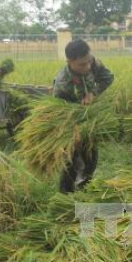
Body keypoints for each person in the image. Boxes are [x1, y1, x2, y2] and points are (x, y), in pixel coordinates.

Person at [53, 39, 114, 193]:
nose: (87, 67)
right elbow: (59, 113)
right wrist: (73, 126)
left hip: (90, 120)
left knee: (91, 156)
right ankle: (65, 193)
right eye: (82, 65)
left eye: (88, 62)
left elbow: (108, 77)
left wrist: (93, 93)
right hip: (71, 122)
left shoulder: (91, 61)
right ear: (70, 62)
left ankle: (85, 185)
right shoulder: (63, 84)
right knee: (71, 159)